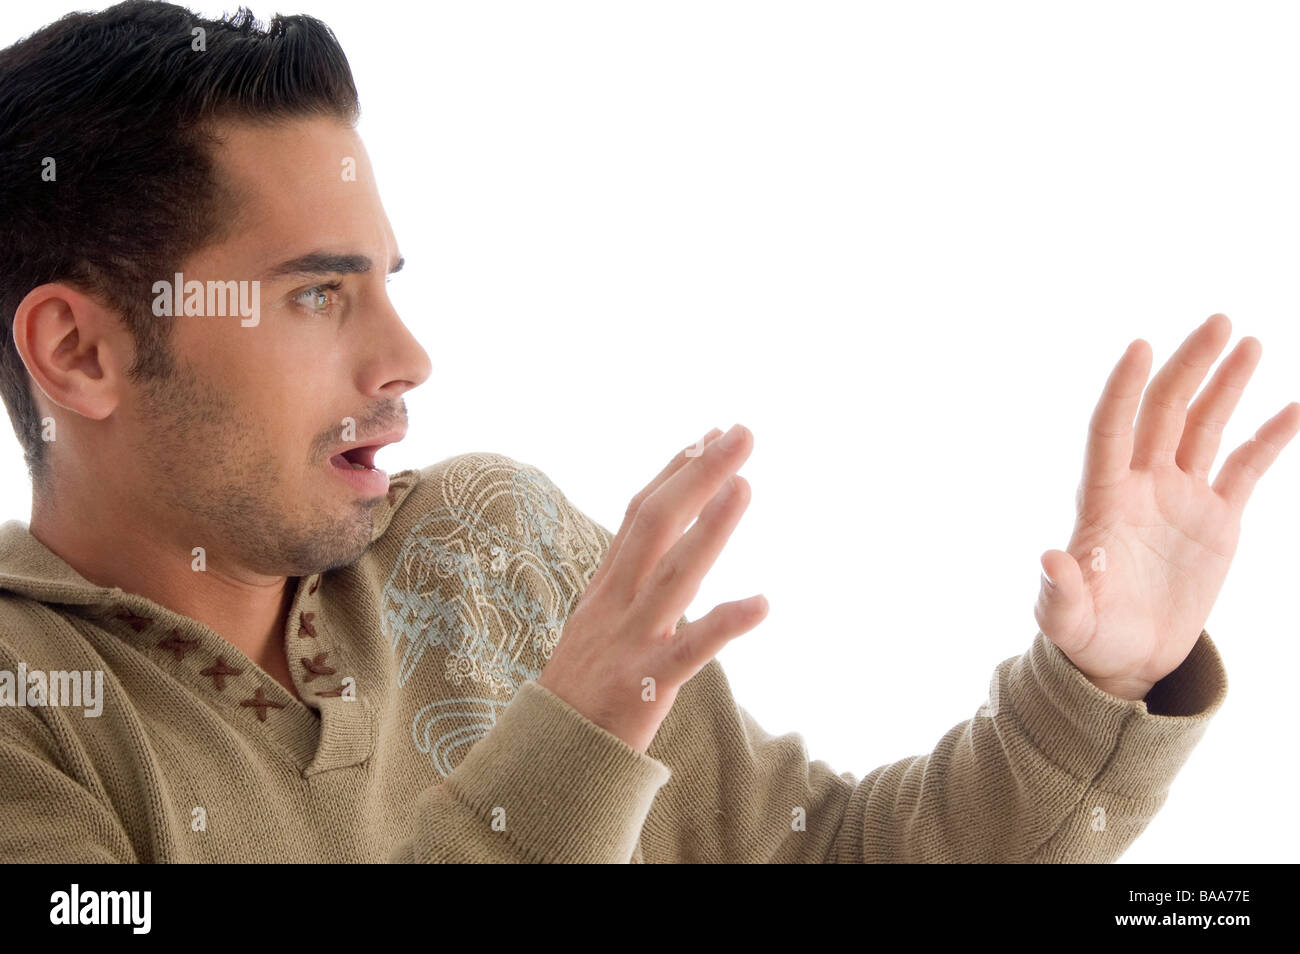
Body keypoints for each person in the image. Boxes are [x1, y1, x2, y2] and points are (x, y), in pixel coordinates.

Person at [0, 1, 1295, 863]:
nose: (406, 358)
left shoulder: (490, 545)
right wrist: (565, 752)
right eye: (320, 293)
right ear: (81, 350)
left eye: (392, 283)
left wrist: (1096, 692)